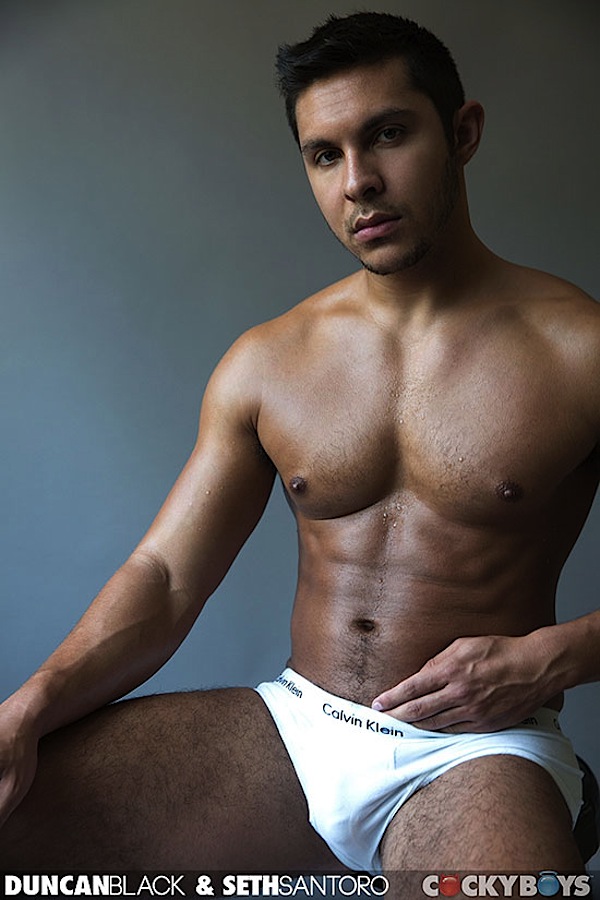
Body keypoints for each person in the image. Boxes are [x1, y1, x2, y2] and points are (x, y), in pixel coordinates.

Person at [0, 10, 598, 878]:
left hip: (476, 749)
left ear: (462, 133)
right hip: (296, 726)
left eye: (388, 134)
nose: (359, 182)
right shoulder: (269, 361)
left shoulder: (580, 351)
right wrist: (29, 705)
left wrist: (551, 658)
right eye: (324, 154)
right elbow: (165, 579)